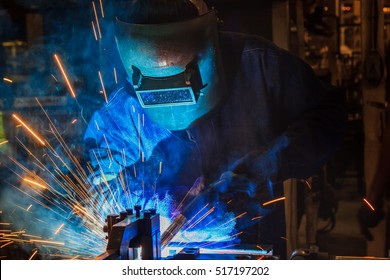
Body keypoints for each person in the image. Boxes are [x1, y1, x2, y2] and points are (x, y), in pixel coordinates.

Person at [84, 0, 346, 259]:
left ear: (208, 44)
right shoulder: (123, 110)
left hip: (252, 253)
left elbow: (329, 113)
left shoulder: (259, 65)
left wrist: (272, 159)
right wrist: (152, 201)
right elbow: (98, 192)